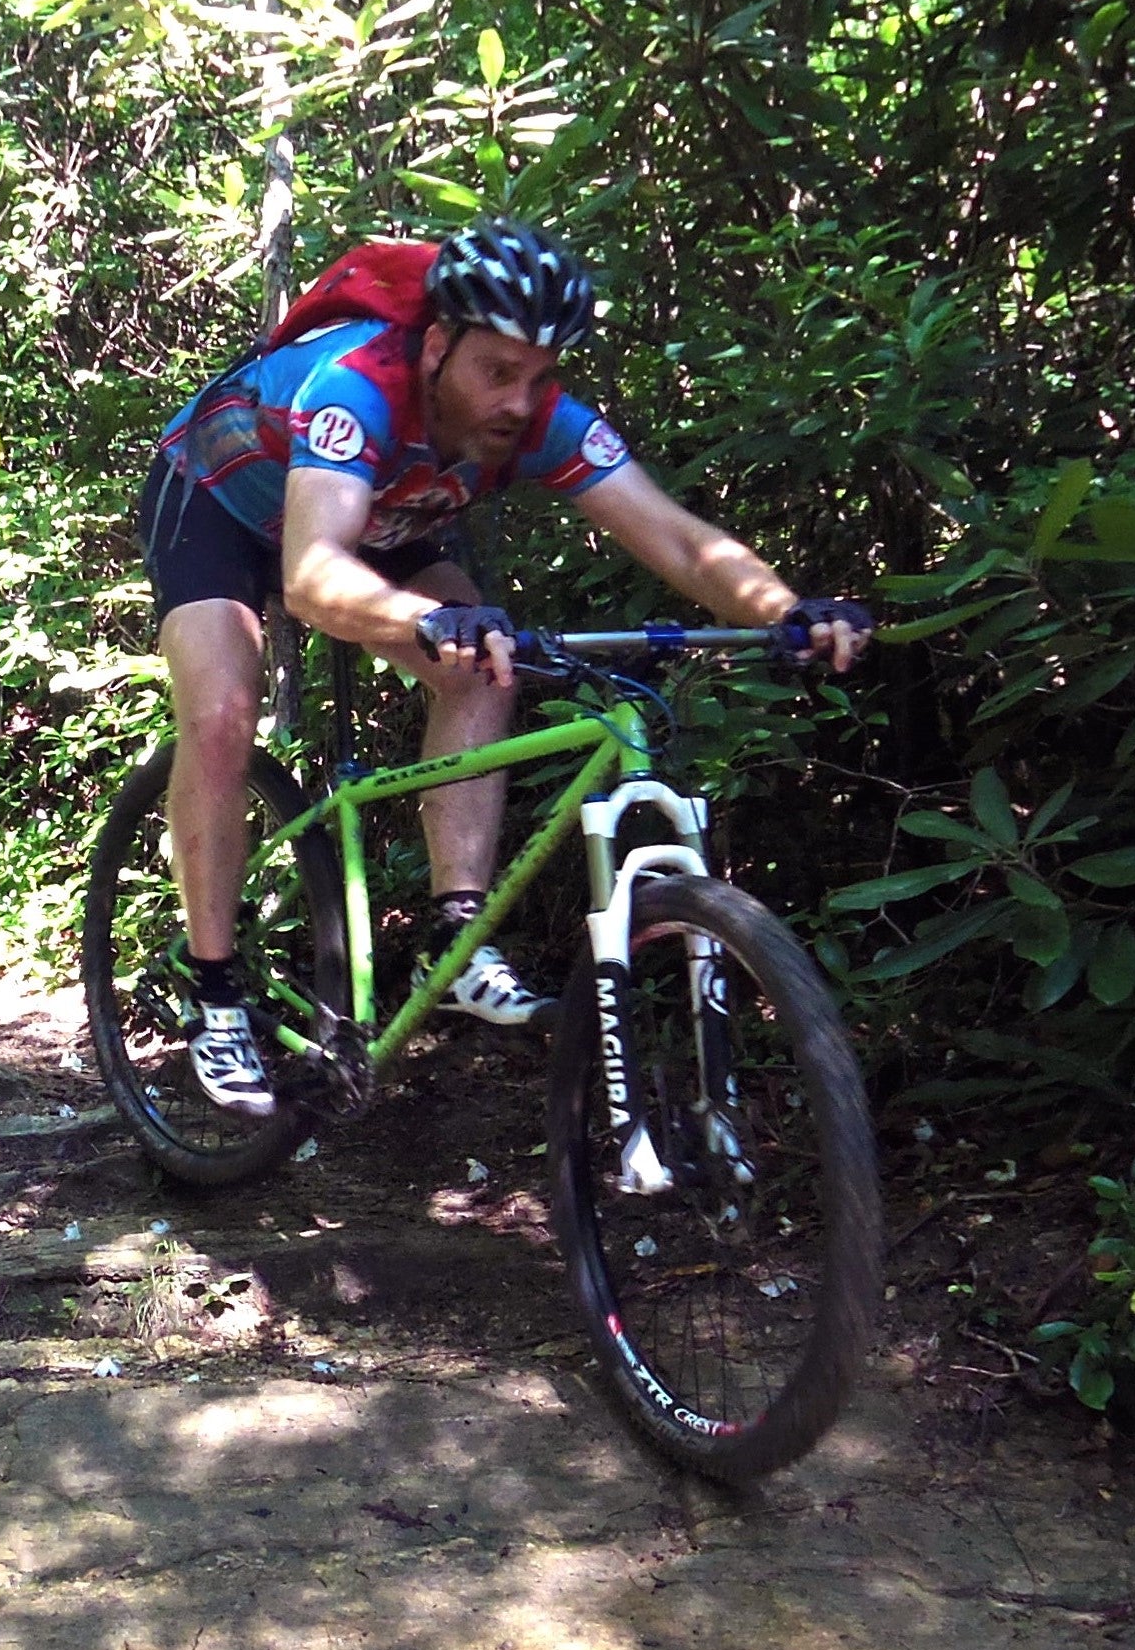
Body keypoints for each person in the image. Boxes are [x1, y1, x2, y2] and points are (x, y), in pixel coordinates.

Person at [140, 217, 872, 1116]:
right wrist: (429, 615)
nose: (520, 403)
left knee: (489, 664)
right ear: (438, 345)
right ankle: (212, 988)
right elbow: (314, 578)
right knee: (219, 716)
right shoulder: (357, 389)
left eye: (539, 376)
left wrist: (786, 608)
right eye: (497, 371)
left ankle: (458, 940)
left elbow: (678, 539)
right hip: (220, 502)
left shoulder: (539, 419)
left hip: (381, 519)